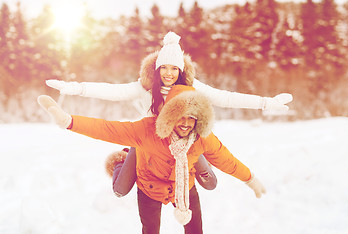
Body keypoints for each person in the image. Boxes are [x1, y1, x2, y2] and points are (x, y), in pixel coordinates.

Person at [45, 31, 292, 197]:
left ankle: (182, 171)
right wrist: (76, 88)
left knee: (211, 184)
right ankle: (124, 158)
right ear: (157, 67)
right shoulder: (143, 87)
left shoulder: (193, 87)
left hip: (186, 142)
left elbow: (226, 97)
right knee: (120, 190)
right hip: (148, 140)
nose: (169, 73)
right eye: (165, 67)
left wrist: (265, 103)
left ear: (181, 70)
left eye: (175, 68)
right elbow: (112, 91)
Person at [38, 84, 266, 234]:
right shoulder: (147, 130)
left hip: (184, 187)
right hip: (149, 187)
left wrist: (250, 179)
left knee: (195, 233)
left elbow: (228, 160)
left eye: (192, 118)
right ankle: (125, 160)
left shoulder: (203, 137)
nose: (186, 123)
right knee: (149, 232)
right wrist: (68, 121)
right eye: (181, 116)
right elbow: (107, 128)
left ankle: (194, 160)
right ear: (170, 115)